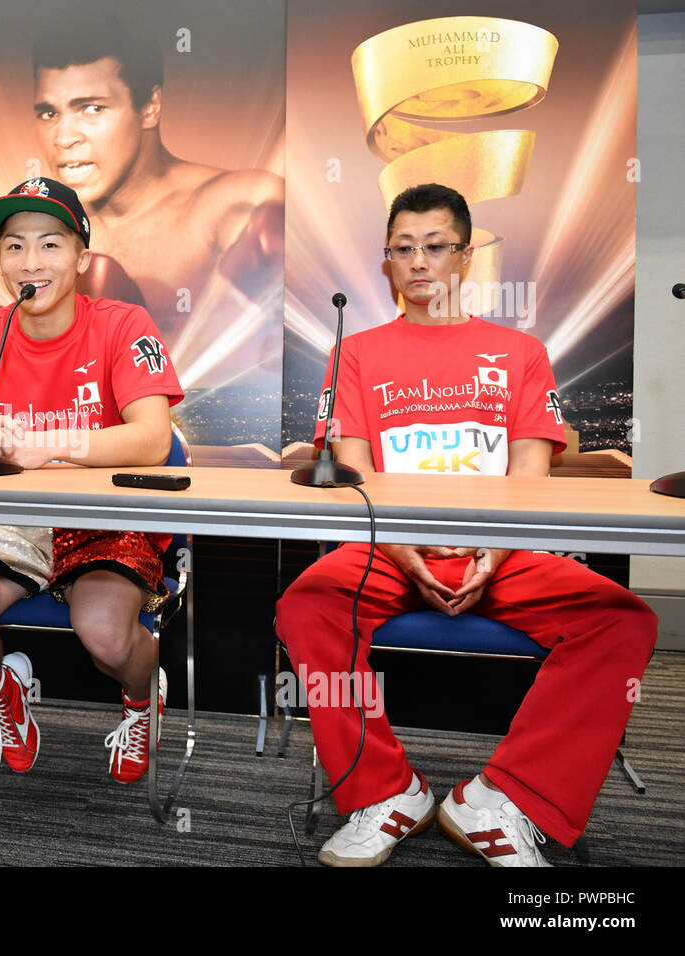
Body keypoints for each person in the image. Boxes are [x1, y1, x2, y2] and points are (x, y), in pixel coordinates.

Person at [275, 183, 658, 867]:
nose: (418, 261)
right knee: (307, 604)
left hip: (499, 549)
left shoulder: (519, 351)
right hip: (390, 547)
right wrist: (404, 548)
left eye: (434, 246)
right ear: (386, 262)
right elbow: (355, 477)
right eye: (402, 249)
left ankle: (502, 799)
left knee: (624, 619)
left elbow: (531, 474)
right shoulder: (356, 352)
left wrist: (495, 551)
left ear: (466, 255)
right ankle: (386, 792)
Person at [0, 178, 184, 784]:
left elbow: (151, 437)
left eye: (50, 245)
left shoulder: (123, 323)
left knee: (105, 635)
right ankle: (4, 690)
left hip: (106, 517)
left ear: (81, 258)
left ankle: (143, 700)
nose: (30, 263)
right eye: (14, 247)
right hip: (21, 516)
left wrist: (47, 447)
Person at [27, 15, 283, 386]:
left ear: (149, 106)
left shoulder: (233, 205)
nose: (64, 137)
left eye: (92, 108)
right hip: (78, 440)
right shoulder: (30, 243)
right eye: (49, 113)